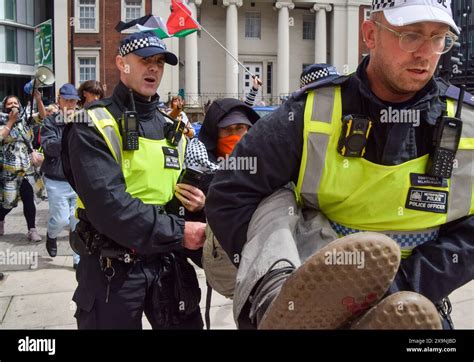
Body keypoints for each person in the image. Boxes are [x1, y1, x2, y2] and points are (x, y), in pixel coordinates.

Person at [206, 0, 473, 330]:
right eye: (410, 35)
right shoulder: (307, 113)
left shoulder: (468, 123)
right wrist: (295, 283)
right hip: (313, 301)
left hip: (413, 309)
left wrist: (400, 287)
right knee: (273, 201)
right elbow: (230, 194)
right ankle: (276, 298)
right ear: (369, 34)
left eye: (438, 38)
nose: (425, 52)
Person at [61, 30, 206, 329]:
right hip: (112, 269)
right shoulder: (92, 123)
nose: (153, 68)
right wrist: (180, 230)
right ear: (121, 63)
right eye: (144, 60)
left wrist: (196, 204)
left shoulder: (172, 128)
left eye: (159, 62)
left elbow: (172, 194)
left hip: (167, 264)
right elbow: (109, 207)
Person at [41, 84, 81, 269]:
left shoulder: (83, 121)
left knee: (76, 222)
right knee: (60, 219)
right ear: (59, 101)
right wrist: (69, 131)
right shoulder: (49, 122)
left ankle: (77, 259)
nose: (71, 104)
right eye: (67, 100)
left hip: (78, 180)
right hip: (56, 179)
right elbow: (50, 148)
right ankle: (51, 235)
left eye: (73, 100)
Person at [0, 92, 46, 242]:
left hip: (26, 168)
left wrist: (38, 99)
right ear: (4, 107)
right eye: (9, 104)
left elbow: (42, 116)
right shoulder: (1, 120)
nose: (13, 106)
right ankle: (1, 219)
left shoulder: (25, 121)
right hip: (9, 170)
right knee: (9, 202)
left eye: (15, 103)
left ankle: (32, 230)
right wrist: (10, 122)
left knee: (28, 199)